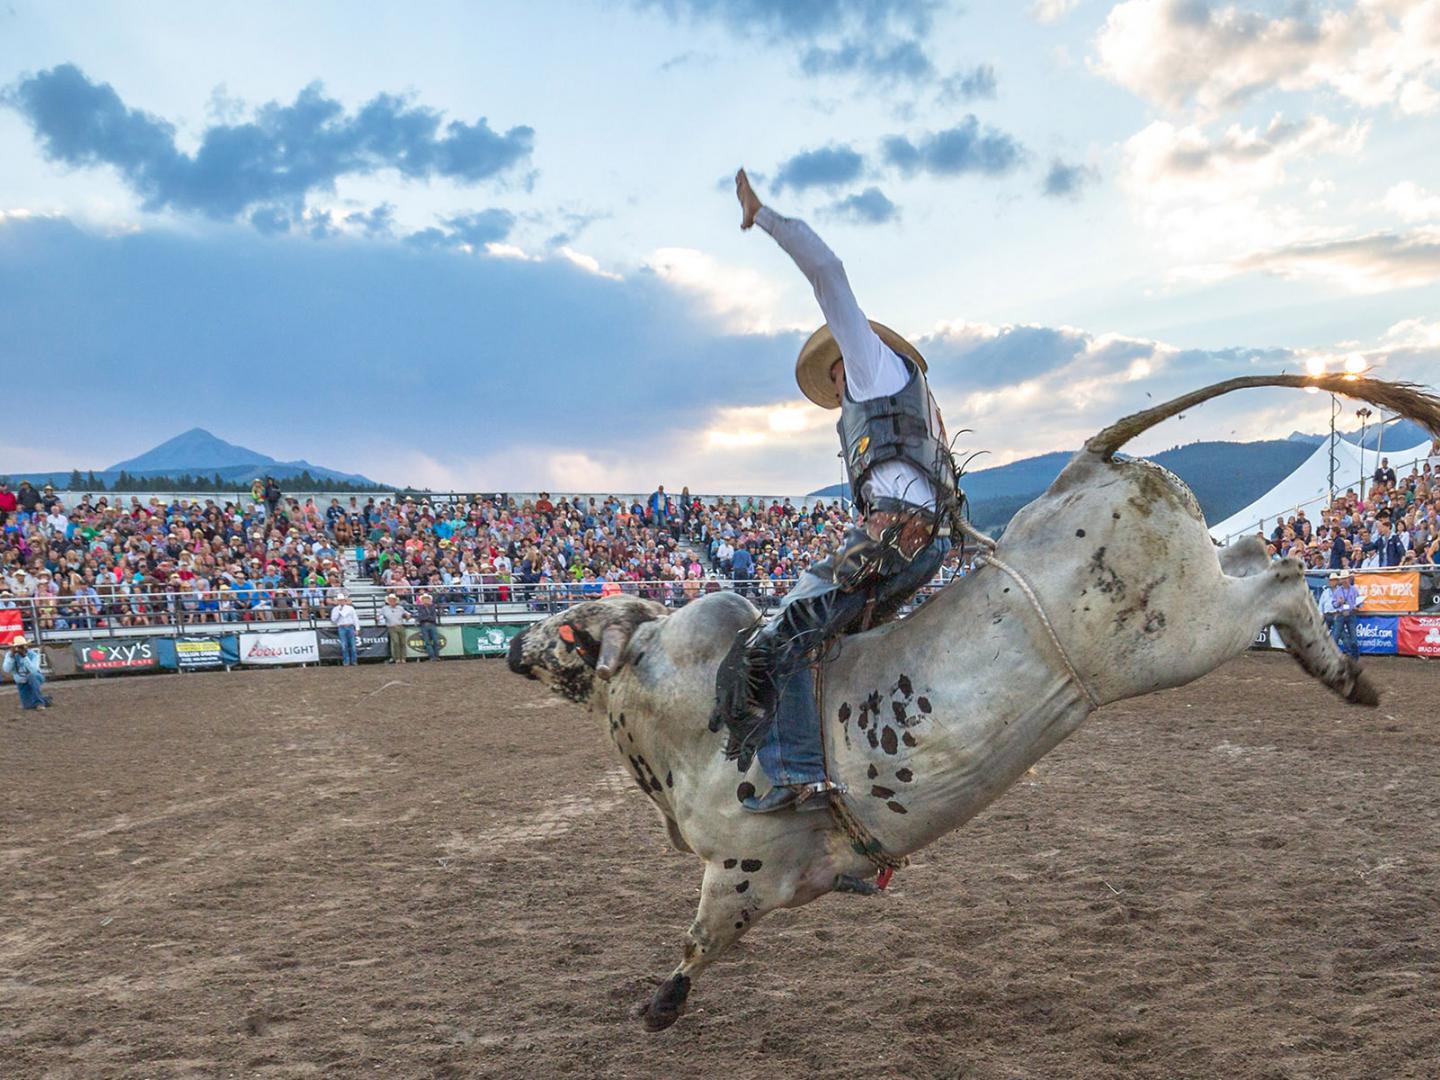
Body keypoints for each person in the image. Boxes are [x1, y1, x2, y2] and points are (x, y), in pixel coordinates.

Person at [714, 169, 960, 814]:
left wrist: (764, 217)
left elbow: (827, 271)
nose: (836, 379)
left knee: (779, 638)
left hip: (892, 540)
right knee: (827, 640)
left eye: (836, 367)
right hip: (919, 538)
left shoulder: (872, 363)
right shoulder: (908, 400)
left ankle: (798, 772)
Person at [4, 635, 52, 711]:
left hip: (36, 677)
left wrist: (24, 657)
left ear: (26, 646)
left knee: (32, 676)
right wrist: (11, 657)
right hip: (21, 681)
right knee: (27, 706)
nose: (20, 649)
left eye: (22, 646)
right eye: (18, 647)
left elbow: (34, 670)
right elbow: (6, 669)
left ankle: (39, 703)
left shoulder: (33, 655)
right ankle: (46, 700)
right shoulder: (10, 655)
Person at [1331, 571, 1361, 657]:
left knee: (1353, 638)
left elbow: (1359, 602)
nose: (1344, 580)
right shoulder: (1337, 591)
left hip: (1351, 614)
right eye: (1343, 579)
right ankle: (1333, 657)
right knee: (1335, 637)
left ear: (1349, 579)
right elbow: (1333, 604)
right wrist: (1339, 602)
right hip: (1340, 614)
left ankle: (1354, 658)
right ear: (1340, 580)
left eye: (1346, 578)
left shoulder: (1354, 590)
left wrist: (1357, 607)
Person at [378, 592, 410, 663]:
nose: (392, 601)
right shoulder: (384, 609)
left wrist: (407, 616)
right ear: (388, 601)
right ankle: (397, 658)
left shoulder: (400, 608)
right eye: (391, 600)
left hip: (400, 626)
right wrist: (378, 618)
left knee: (402, 643)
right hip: (391, 627)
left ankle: (403, 658)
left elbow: (407, 614)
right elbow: (379, 616)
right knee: (396, 642)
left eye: (393, 600)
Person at [330, 591, 360, 666]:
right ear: (338, 601)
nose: (341, 602)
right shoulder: (335, 609)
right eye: (339, 600)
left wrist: (357, 628)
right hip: (342, 627)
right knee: (344, 645)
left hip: (350, 627)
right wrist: (339, 613)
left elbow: (355, 618)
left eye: (342, 600)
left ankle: (354, 661)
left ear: (344, 600)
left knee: (353, 645)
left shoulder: (350, 608)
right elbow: (333, 620)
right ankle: (346, 661)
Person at [414, 592, 441, 660]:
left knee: (435, 641)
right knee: (427, 642)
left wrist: (426, 618)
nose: (426, 600)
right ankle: (433, 656)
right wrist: (428, 617)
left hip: (430, 625)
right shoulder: (421, 608)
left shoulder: (432, 607)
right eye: (424, 599)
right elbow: (421, 618)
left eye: (427, 599)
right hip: (426, 625)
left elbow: (433, 617)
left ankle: (436, 656)